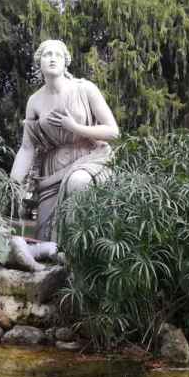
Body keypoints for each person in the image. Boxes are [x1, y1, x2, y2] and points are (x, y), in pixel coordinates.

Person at [10, 39, 120, 242]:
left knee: (78, 182)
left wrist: (75, 128)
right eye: (47, 55)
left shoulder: (84, 89)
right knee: (46, 238)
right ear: (39, 62)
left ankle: (78, 254)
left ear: (65, 62)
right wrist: (13, 183)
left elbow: (113, 132)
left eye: (57, 55)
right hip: (52, 170)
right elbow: (27, 147)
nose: (52, 59)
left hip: (90, 159)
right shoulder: (34, 101)